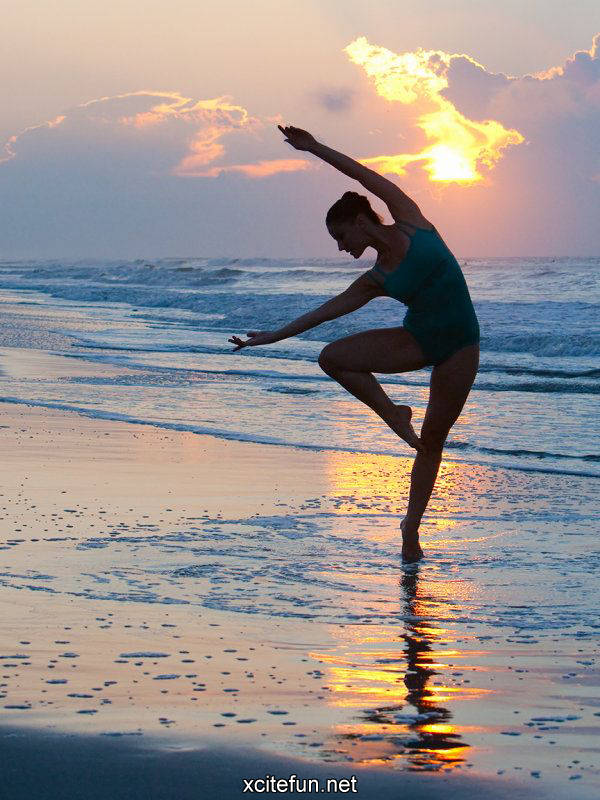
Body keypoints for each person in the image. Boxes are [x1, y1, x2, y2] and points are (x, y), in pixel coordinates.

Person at [229, 125, 480, 562]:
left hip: (461, 345)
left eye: (341, 237)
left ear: (360, 222)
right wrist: (270, 337)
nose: (342, 248)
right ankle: (393, 413)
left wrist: (313, 148)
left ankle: (411, 529)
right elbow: (325, 312)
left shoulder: (411, 221)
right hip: (417, 340)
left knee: (434, 439)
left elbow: (364, 175)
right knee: (333, 358)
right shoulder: (375, 278)